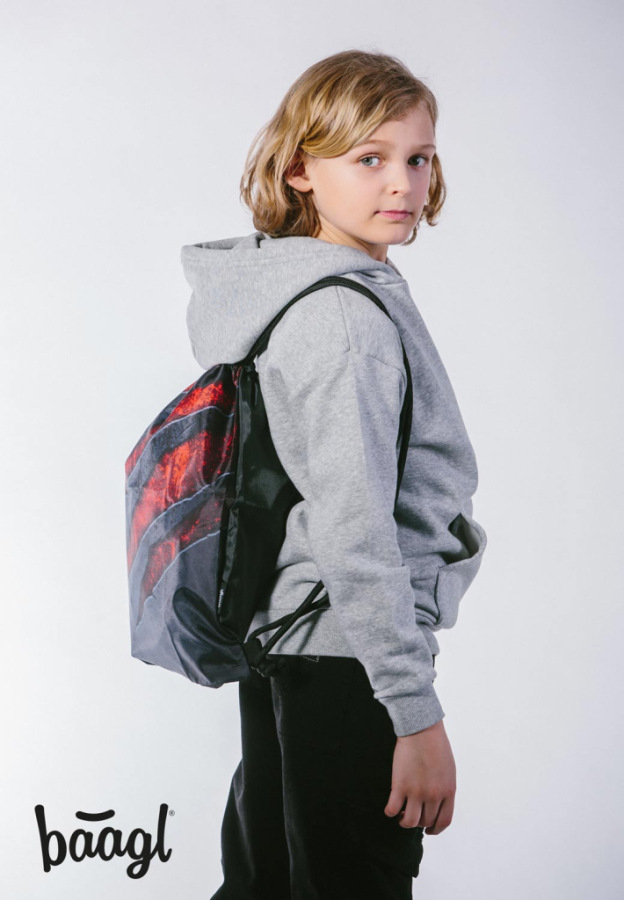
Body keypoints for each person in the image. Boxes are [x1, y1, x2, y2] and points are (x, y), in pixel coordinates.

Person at [181, 48, 487, 900]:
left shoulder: (314, 292)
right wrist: (414, 713)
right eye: (369, 158)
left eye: (418, 159)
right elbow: (355, 528)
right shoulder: (344, 319)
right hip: (348, 657)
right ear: (300, 170)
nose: (403, 185)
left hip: (294, 644)